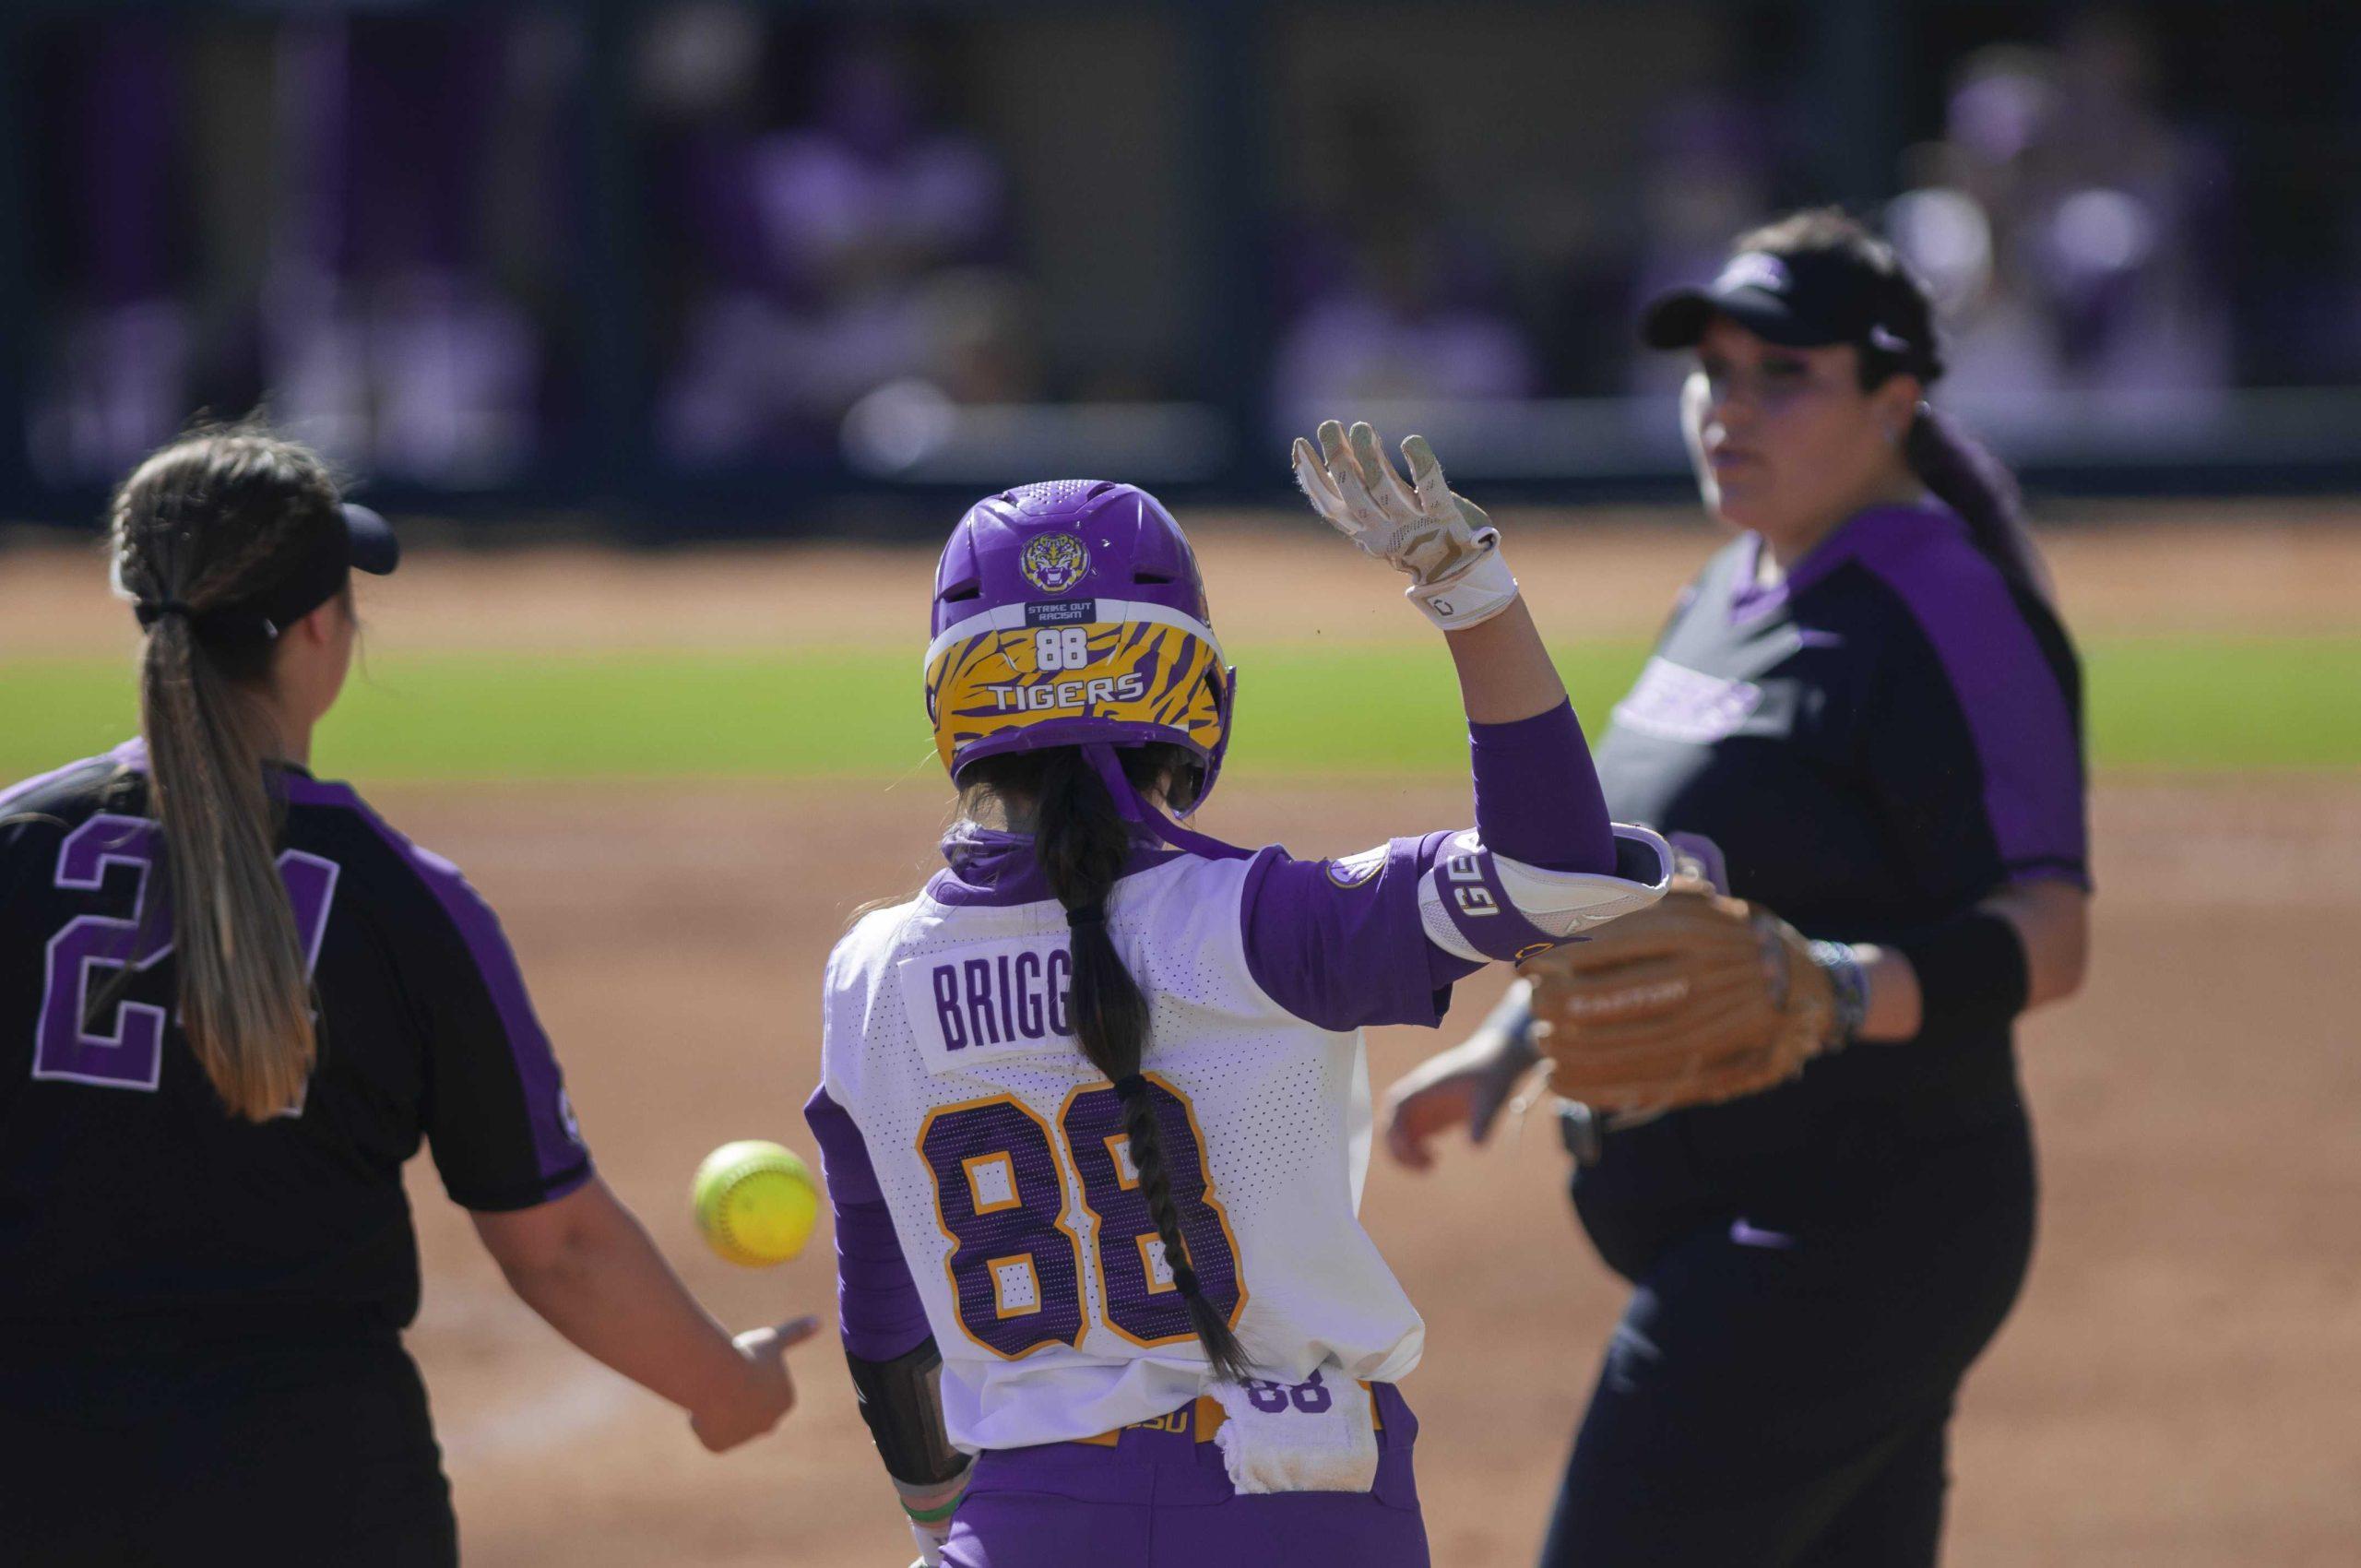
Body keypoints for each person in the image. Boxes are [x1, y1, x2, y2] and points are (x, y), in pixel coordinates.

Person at [802, 451, 1674, 1567]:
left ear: (954, 704)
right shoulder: (1262, 922)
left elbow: (886, 1312)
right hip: (1304, 1518)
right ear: (1195, 696)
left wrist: (938, 1519)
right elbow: (1556, 873)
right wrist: (1470, 593)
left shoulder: (866, 971)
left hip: (1022, 1529)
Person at [1382, 209, 2092, 1567]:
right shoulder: (1727, 583)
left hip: (1858, 1224)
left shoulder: (1948, 608)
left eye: (1785, 374)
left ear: (1894, 401)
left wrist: (1832, 987)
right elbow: (1673, 888)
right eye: (1714, 368)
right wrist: (1509, 1042)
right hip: (1741, 1219)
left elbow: (2049, 936)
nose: (1727, 406)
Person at [0, 427, 813, 1566]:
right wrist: (726, 1387)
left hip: (36, 1484)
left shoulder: (15, 845)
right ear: (321, 625)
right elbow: (557, 1246)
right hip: (317, 1497)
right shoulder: (398, 899)